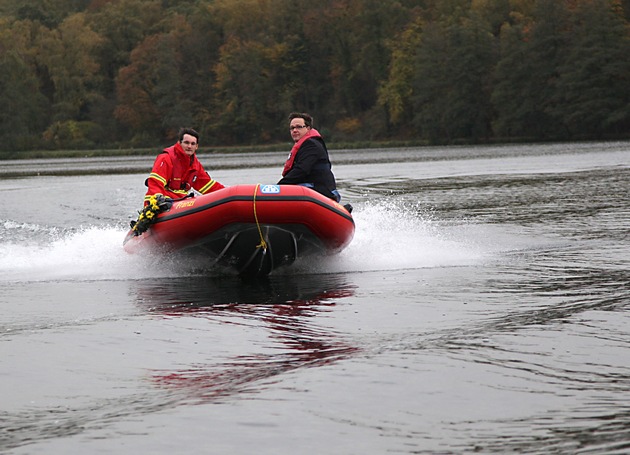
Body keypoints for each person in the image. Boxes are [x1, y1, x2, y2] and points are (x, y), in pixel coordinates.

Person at [143, 127, 225, 206]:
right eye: (186, 143)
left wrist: (226, 193)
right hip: (162, 203)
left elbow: (206, 184)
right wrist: (158, 200)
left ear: (196, 146)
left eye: (193, 144)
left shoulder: (194, 164)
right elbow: (155, 183)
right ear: (179, 143)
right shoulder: (166, 158)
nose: (189, 146)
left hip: (181, 203)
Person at [278, 112, 343, 204]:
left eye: (299, 127)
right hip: (311, 190)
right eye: (292, 128)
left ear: (308, 128)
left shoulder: (311, 145)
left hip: (321, 192)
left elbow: (302, 170)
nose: (295, 130)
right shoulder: (306, 144)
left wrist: (279, 187)